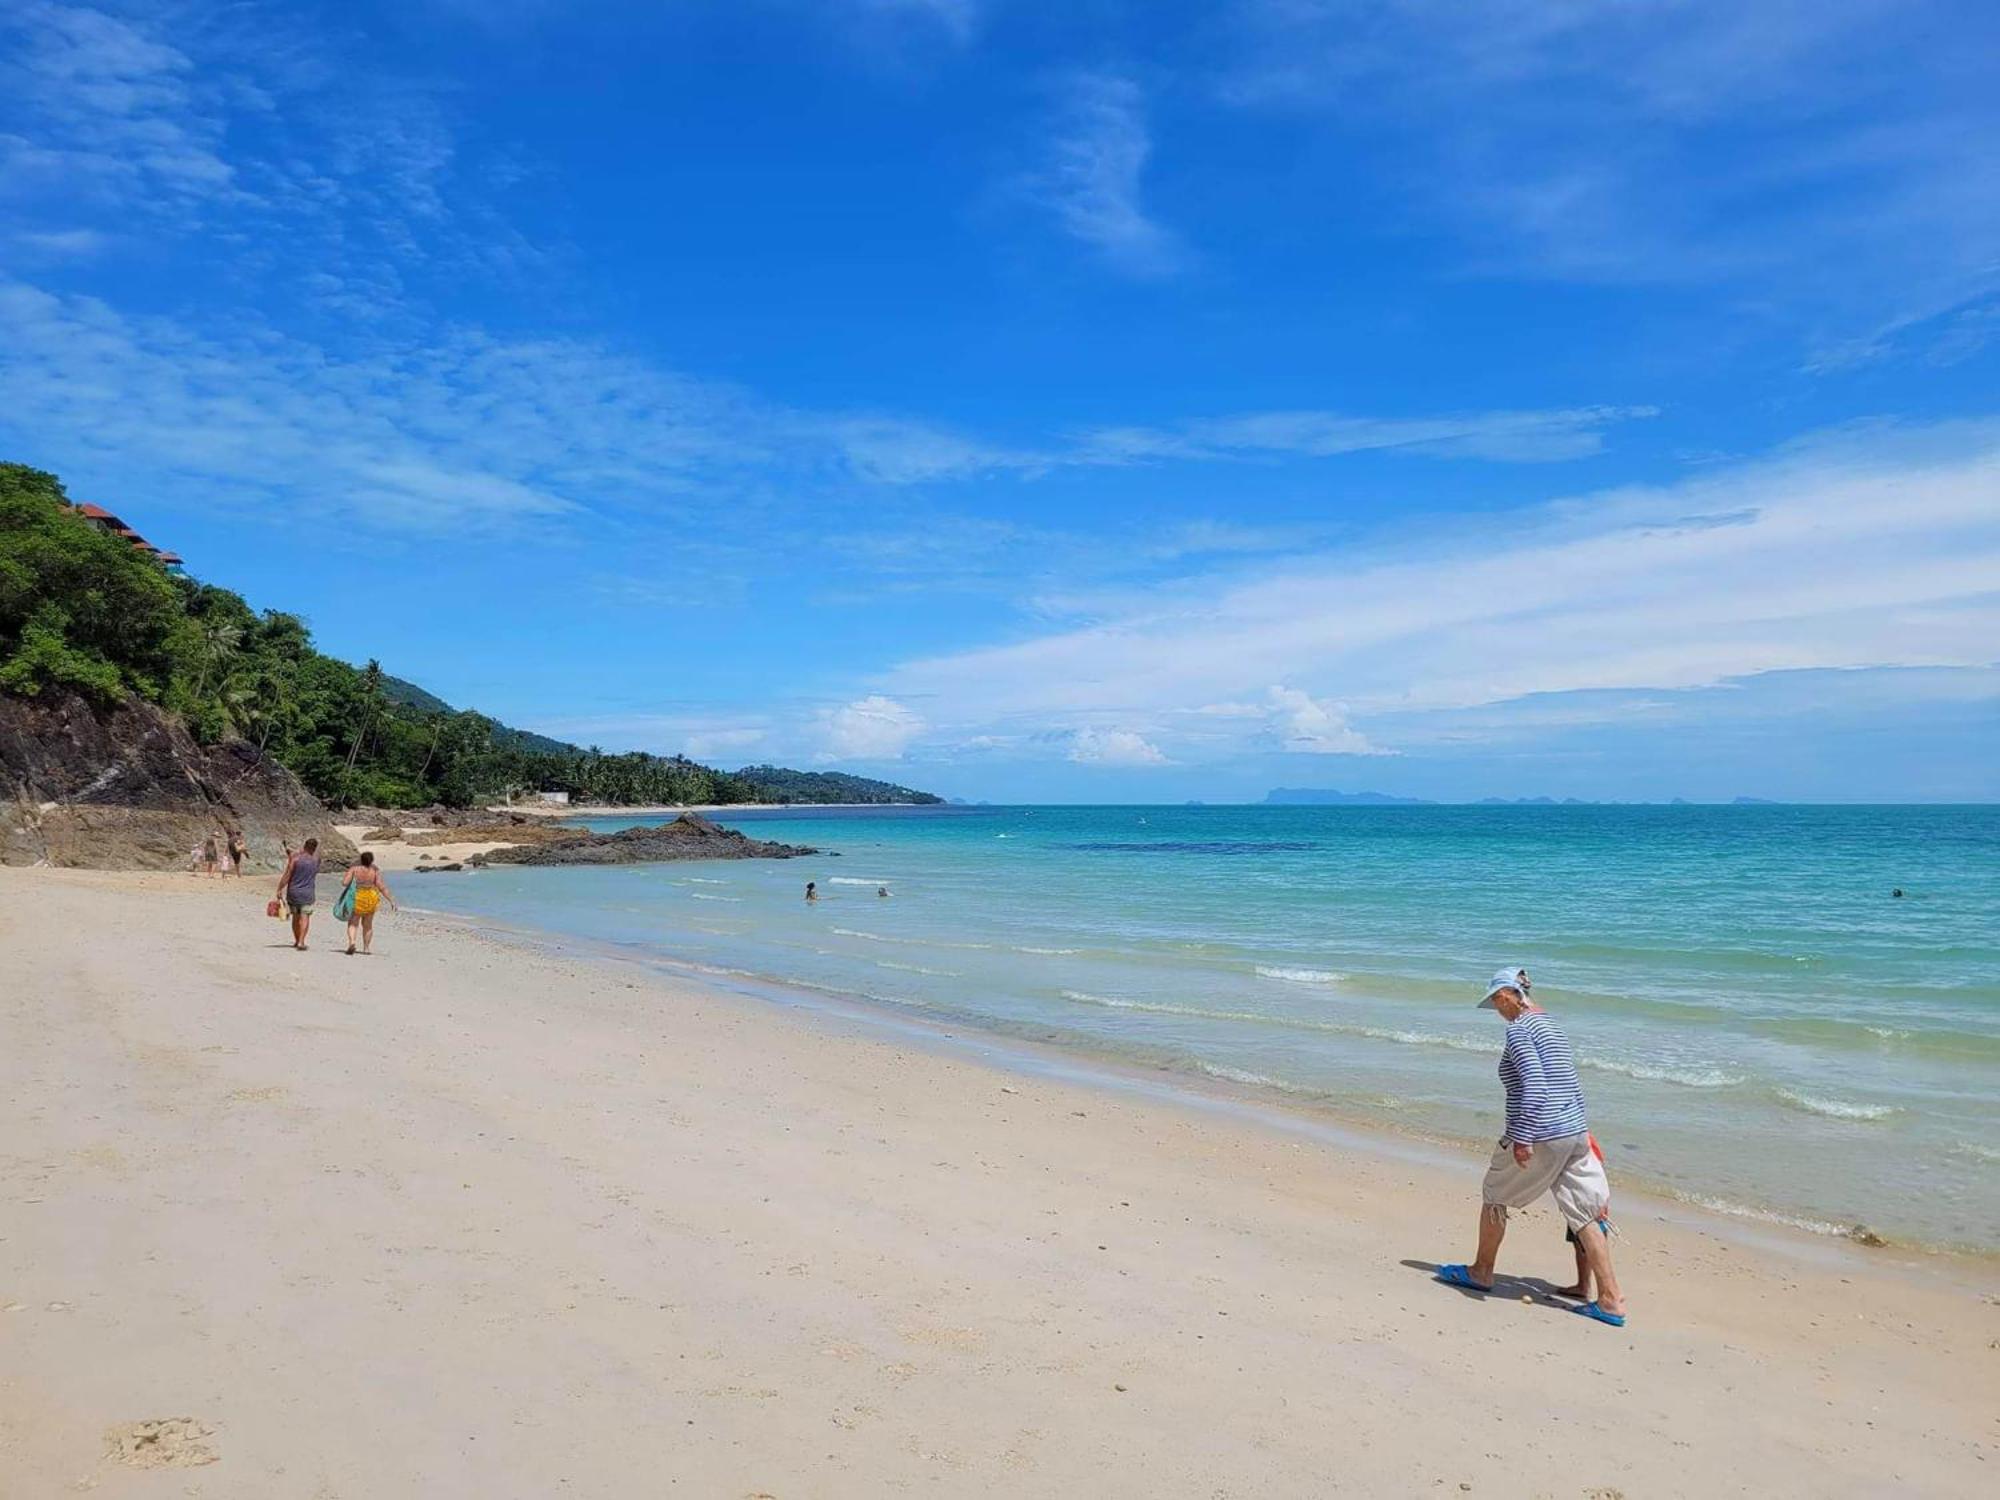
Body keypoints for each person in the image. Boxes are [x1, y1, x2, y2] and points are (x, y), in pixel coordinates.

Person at [1435, 966, 1628, 1327]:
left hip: (1542, 1132)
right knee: (1585, 1212)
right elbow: (1568, 1081)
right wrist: (1583, 1131)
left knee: (1494, 1193)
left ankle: (1481, 1271)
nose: (1497, 1010)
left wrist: (1522, 1137)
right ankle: (1610, 1299)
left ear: (1508, 995)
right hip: (1573, 1132)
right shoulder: (1552, 1025)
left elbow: (1537, 1086)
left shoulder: (1521, 1030)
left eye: (1496, 1002)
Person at [339, 851, 395, 956]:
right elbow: (381, 887)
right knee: (368, 925)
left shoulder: (354, 869)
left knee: (353, 923)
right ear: (371, 860)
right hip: (371, 897)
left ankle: (352, 942)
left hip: (357, 896)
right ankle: (366, 948)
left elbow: (344, 883)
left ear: (361, 859)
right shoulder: (375, 870)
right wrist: (391, 900)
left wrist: (350, 881)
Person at [275, 838, 321, 951]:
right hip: (308, 893)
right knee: (305, 917)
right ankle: (301, 941)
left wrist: (279, 888)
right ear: (314, 848)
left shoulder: (295, 859)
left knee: (296, 917)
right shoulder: (316, 860)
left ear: (304, 846)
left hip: (294, 892)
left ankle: (296, 941)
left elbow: (287, 875)